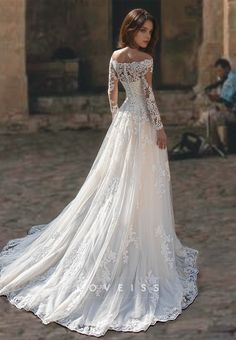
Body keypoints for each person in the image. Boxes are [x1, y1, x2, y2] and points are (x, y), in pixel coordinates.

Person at [0, 8, 199, 337]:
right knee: (135, 183)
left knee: (120, 183)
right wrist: (159, 128)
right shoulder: (145, 61)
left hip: (123, 123)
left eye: (151, 31)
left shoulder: (115, 57)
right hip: (141, 125)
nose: (148, 36)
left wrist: (117, 123)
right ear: (131, 29)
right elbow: (148, 96)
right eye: (144, 30)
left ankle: (130, 222)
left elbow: (111, 93)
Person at [194, 58, 236, 151]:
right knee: (208, 114)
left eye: (220, 70)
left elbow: (226, 100)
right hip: (230, 111)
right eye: (217, 71)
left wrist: (210, 97)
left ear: (227, 68)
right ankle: (216, 144)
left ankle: (216, 145)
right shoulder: (227, 80)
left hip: (233, 113)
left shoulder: (232, 80)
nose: (218, 73)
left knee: (210, 116)